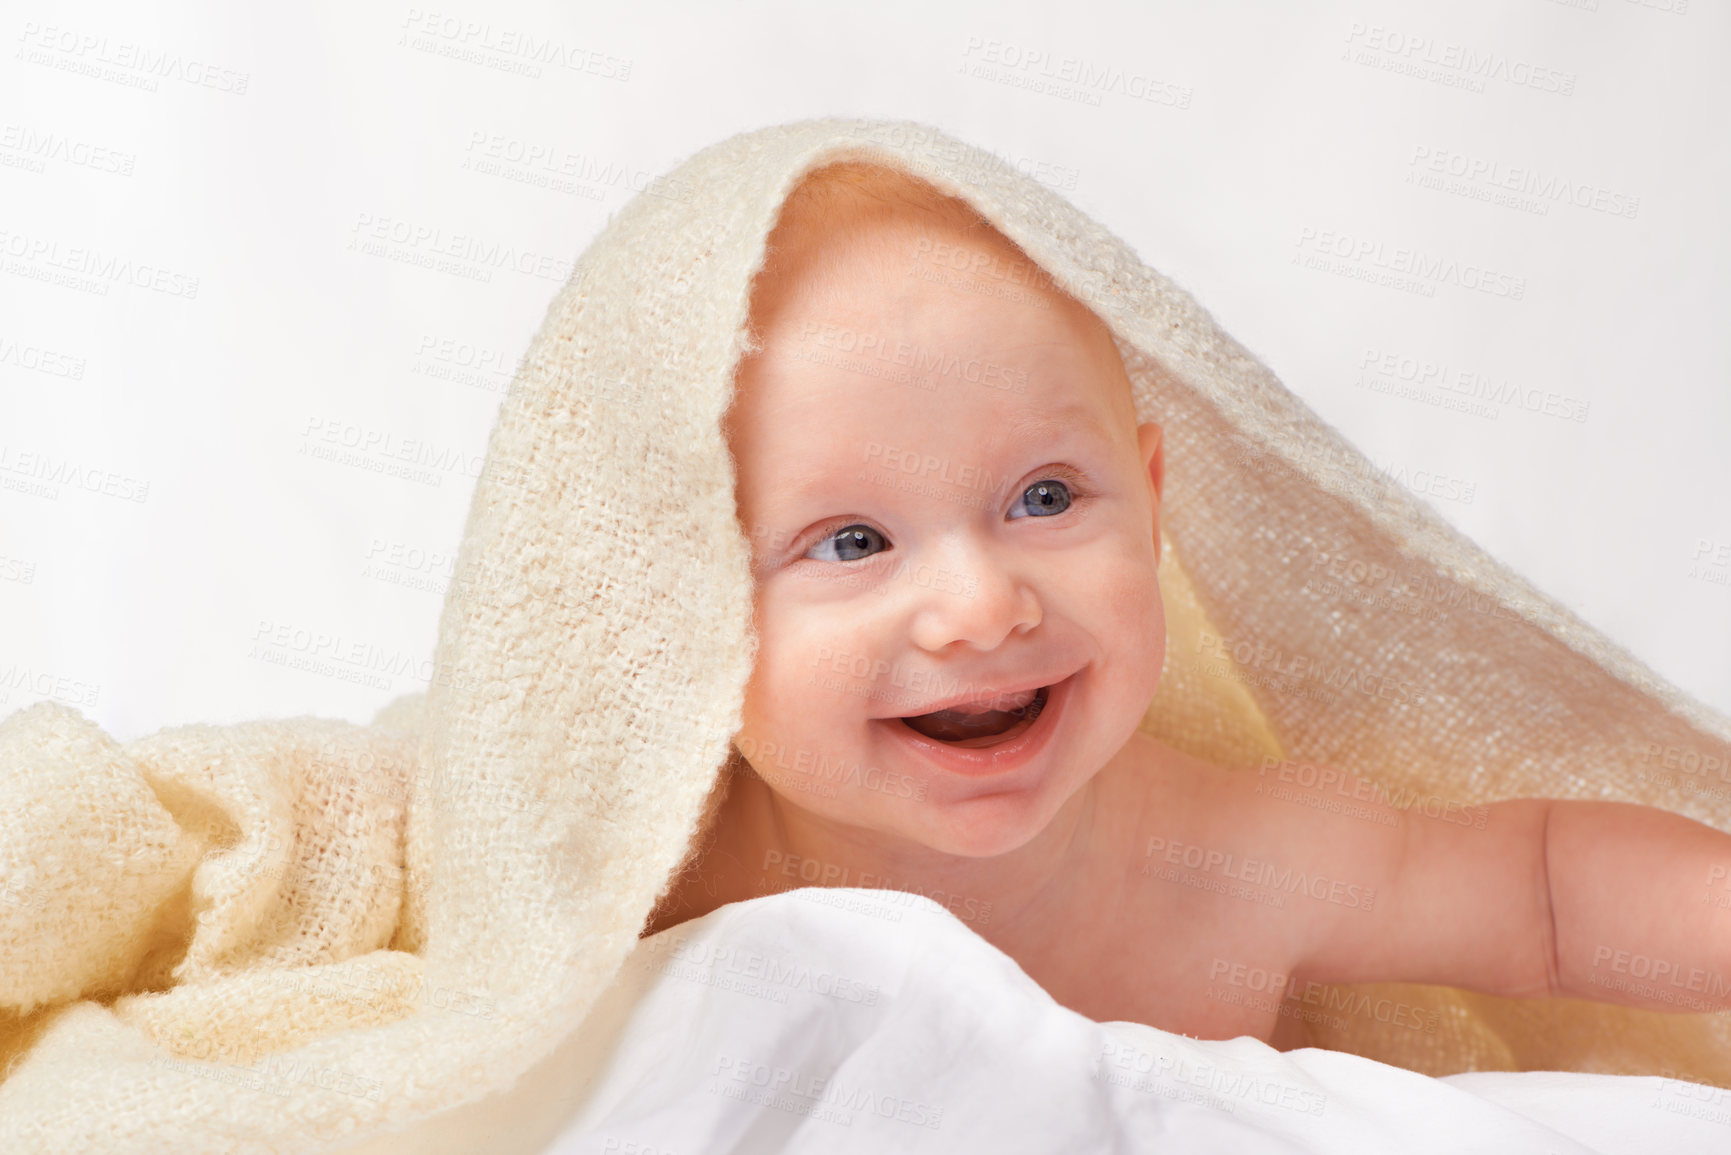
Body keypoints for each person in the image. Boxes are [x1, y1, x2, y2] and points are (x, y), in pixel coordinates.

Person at [643, 160, 1731, 1051]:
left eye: (1045, 497)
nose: (979, 608)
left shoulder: (1230, 869)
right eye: (853, 542)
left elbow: (1540, 899)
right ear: (681, 595)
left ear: (1151, 506)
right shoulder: (658, 896)